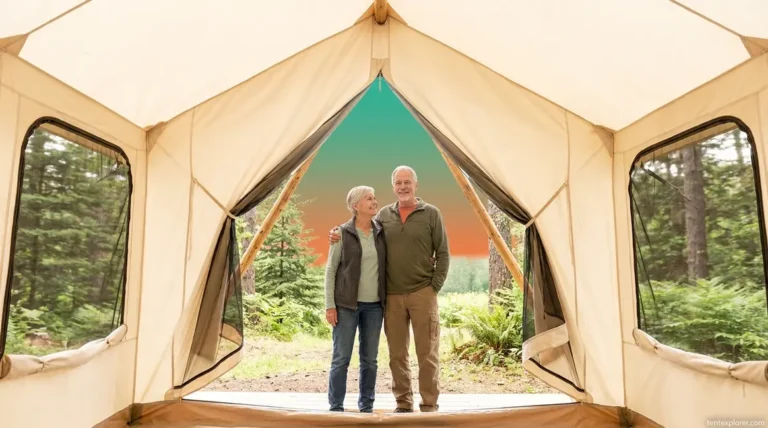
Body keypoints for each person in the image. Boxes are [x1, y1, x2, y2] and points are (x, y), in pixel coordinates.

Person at [330, 166, 450, 413]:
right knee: (397, 354)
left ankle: (429, 404)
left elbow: (444, 253)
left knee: (427, 354)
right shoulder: (383, 215)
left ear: (416, 185)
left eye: (407, 182)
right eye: (398, 183)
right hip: (391, 297)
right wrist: (335, 233)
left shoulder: (431, 214)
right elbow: (356, 228)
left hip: (422, 293)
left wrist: (433, 287)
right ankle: (403, 403)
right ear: (393, 187)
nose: (403, 187)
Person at [324, 185, 387, 413]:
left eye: (374, 197)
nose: (374, 201)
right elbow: (331, 270)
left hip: (374, 307)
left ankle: (367, 406)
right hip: (346, 306)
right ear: (356, 206)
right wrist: (330, 305)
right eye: (368, 199)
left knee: (370, 359)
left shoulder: (381, 231)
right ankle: (336, 407)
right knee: (341, 358)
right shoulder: (341, 233)